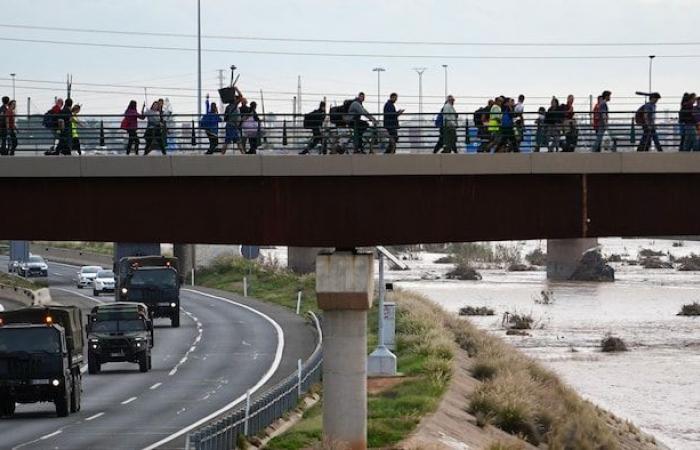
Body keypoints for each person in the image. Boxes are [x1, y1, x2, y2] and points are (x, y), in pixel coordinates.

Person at [222, 87, 243, 155]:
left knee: (237, 141)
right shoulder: (234, 105)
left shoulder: (228, 107)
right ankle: (222, 154)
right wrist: (236, 89)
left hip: (232, 126)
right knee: (228, 141)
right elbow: (241, 96)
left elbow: (225, 117)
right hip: (232, 126)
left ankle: (243, 153)